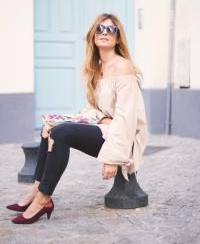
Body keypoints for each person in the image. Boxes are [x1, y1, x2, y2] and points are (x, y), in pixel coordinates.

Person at [7, 13, 148, 224]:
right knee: (52, 126)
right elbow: (91, 108)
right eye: (100, 28)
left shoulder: (123, 67)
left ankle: (43, 199)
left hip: (123, 139)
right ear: (92, 35)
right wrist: (102, 119)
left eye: (111, 29)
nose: (104, 32)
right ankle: (36, 190)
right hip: (107, 129)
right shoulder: (96, 68)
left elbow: (127, 119)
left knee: (62, 133)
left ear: (118, 38)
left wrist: (113, 158)